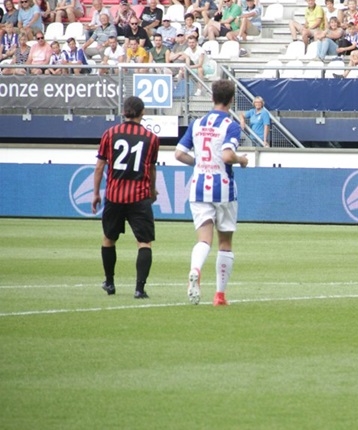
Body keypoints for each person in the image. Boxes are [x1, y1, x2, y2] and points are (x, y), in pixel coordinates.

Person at [174, 79, 249, 306]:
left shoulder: (197, 123)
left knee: (203, 239)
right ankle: (220, 295)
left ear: (212, 97)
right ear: (232, 99)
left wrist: (198, 163)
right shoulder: (230, 125)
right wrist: (241, 159)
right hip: (223, 187)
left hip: (198, 186)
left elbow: (178, 154)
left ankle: (196, 269)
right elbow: (227, 156)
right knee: (224, 242)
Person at [92, 95, 160, 299]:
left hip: (114, 195)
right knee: (144, 243)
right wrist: (152, 189)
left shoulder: (110, 133)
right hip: (139, 196)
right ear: (143, 112)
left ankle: (110, 283)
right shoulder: (151, 138)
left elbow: (99, 166)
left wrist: (96, 193)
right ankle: (139, 289)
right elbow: (151, 167)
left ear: (123, 112)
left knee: (108, 239)